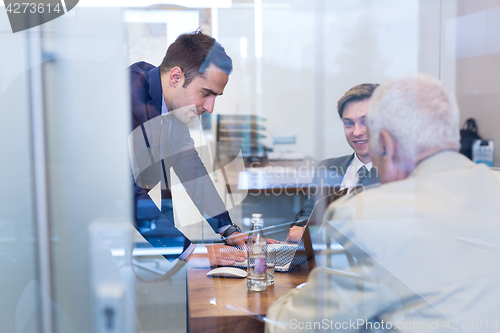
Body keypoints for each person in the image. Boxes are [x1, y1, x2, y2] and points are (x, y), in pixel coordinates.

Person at [266, 74, 500, 332]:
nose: (357, 132)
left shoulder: (364, 216)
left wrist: (299, 295)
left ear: (384, 143)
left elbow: (291, 326)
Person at [128, 31, 247, 265]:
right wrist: (192, 253)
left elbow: (191, 168)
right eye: (206, 93)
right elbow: (123, 188)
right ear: (176, 77)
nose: (210, 107)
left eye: (216, 96)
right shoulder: (131, 94)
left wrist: (228, 229)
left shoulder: (172, 104)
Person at [287, 84, 380, 242]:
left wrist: (313, 235)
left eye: (365, 122)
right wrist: (302, 227)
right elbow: (308, 214)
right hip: (319, 262)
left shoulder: (399, 174)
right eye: (349, 123)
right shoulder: (328, 168)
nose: (357, 132)